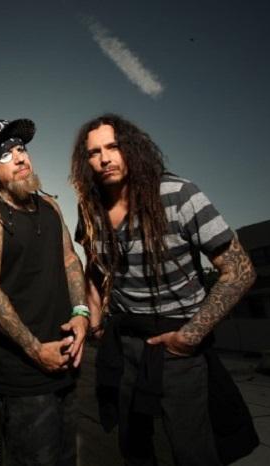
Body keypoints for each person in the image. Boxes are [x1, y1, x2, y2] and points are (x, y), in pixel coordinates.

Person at [70, 113, 258, 465]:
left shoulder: (178, 194)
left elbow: (240, 270)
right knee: (134, 448)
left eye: (113, 146)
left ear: (133, 148)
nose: (105, 158)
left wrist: (190, 336)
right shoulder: (90, 208)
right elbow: (93, 267)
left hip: (176, 344)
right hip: (124, 341)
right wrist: (94, 319)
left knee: (191, 451)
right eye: (94, 152)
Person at [0, 118, 89, 465]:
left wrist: (81, 313)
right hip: (23, 376)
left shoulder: (50, 206)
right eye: (5, 155)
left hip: (66, 362)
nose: (19, 158)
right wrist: (36, 350)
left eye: (21, 149)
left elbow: (69, 259)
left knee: (66, 457)